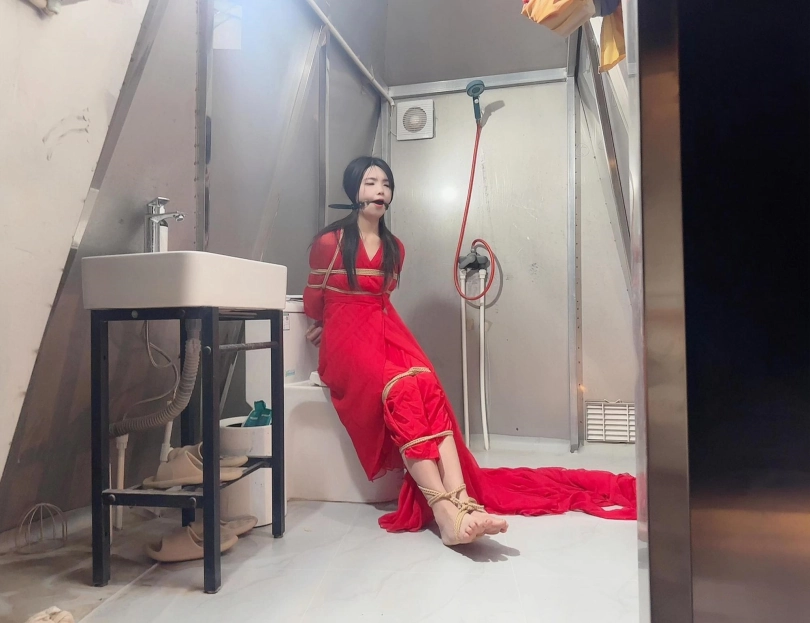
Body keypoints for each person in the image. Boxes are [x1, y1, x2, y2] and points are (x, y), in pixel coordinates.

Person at [303, 156, 636, 547]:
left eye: (386, 184)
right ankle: (443, 511)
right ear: (353, 189)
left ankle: (462, 501)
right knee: (403, 389)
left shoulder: (395, 247)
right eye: (370, 183)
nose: (380, 191)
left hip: (385, 329)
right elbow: (314, 300)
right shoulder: (330, 243)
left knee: (427, 386)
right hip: (345, 339)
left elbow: (382, 298)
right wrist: (322, 324)